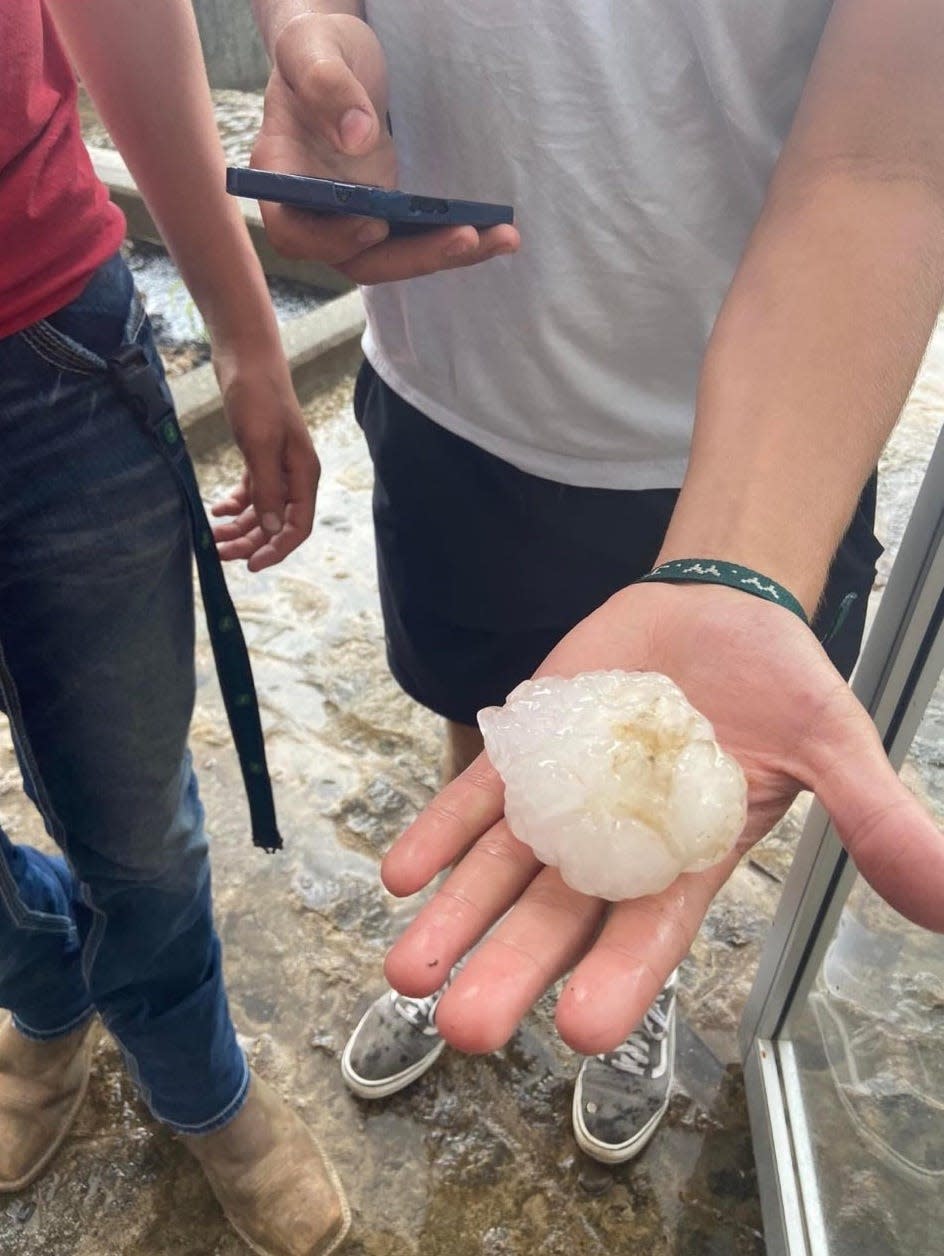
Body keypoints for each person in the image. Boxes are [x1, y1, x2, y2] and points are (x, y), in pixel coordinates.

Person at [244, 0, 944, 1168]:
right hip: (452, 387)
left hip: (760, 426)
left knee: (701, 770)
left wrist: (744, 558)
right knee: (484, 712)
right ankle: (472, 925)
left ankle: (640, 961)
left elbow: (886, 157)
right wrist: (309, 20)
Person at [0, 3, 347, 1254]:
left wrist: (249, 330)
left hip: (39, 347)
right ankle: (43, 980)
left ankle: (199, 1083)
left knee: (133, 815)